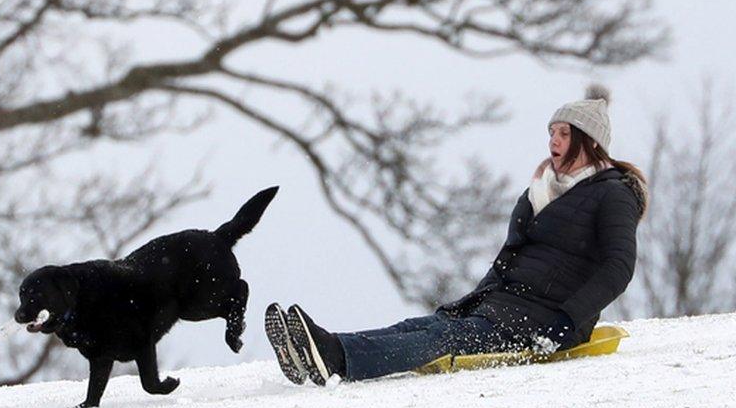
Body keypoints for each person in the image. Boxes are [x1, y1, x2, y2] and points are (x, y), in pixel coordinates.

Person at [265, 86, 649, 386]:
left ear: (590, 142)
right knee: (421, 326)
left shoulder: (613, 193)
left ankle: (336, 357)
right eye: (551, 131)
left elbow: (618, 267)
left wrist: (567, 320)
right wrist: (474, 300)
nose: (553, 141)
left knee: (441, 341)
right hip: (504, 307)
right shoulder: (541, 191)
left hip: (546, 322)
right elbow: (509, 258)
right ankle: (317, 349)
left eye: (564, 133)